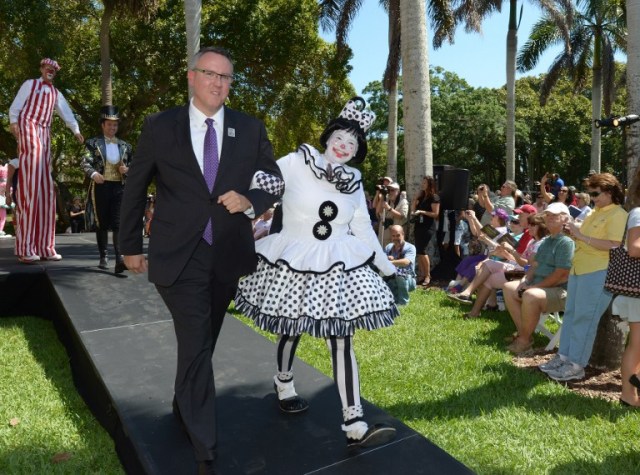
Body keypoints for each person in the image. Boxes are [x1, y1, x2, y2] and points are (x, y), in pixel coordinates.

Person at [119, 46, 284, 473]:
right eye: (210, 74)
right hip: (178, 255)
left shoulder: (250, 129)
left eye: (226, 77)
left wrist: (251, 199)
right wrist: (130, 245)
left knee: (204, 339)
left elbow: (272, 177)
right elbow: (136, 187)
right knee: (195, 337)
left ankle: (182, 403)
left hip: (226, 254)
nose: (218, 83)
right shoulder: (160, 126)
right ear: (192, 76)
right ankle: (205, 449)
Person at [235, 96, 398, 450]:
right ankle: (283, 383)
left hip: (337, 266)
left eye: (352, 143)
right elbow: (262, 187)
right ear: (327, 137)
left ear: (357, 152)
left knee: (341, 339)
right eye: (340, 137)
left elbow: (363, 229)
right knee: (290, 327)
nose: (344, 146)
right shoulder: (295, 162)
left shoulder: (354, 182)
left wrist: (386, 268)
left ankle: (354, 421)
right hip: (293, 258)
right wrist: (242, 208)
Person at [541, 173, 627, 381]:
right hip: (580, 269)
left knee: (584, 319)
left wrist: (580, 235)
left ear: (609, 192)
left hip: (599, 272)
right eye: (591, 193)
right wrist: (575, 233)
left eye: (596, 193)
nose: (592, 198)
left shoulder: (618, 214)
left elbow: (614, 246)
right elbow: (588, 239)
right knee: (570, 314)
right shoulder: (595, 212)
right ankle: (563, 357)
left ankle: (577, 365)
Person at [9, 58, 84, 263]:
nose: (50, 71)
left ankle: (44, 246)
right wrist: (14, 122)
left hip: (44, 132)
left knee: (46, 190)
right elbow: (16, 106)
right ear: (41, 68)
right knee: (31, 187)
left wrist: (76, 130)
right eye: (47, 68)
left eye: (54, 70)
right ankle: (25, 247)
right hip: (29, 126)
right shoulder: (30, 84)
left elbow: (66, 113)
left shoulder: (55, 93)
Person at [502, 203, 575, 353]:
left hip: (560, 290)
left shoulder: (566, 242)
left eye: (555, 216)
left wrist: (534, 287)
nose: (549, 218)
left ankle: (523, 341)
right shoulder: (547, 241)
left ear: (565, 219)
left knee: (530, 295)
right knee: (509, 288)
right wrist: (525, 281)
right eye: (548, 215)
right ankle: (525, 334)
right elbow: (535, 266)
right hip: (541, 286)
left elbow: (561, 274)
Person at [81, 106, 133, 273]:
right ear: (103, 125)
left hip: (119, 187)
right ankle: (103, 255)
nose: (113, 128)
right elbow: (84, 162)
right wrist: (94, 173)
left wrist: (128, 170)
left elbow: (135, 165)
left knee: (118, 223)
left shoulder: (125, 146)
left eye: (115, 125)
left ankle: (119, 258)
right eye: (109, 125)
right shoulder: (92, 143)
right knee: (101, 223)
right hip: (101, 186)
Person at [612, 168, 640, 406]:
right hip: (637, 289)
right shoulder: (639, 214)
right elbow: (634, 248)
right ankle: (629, 394)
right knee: (638, 341)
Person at [411, 175, 440, 287]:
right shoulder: (421, 196)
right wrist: (415, 199)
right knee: (419, 251)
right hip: (418, 225)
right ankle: (422, 275)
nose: (422, 184)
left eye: (424, 182)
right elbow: (413, 211)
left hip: (428, 227)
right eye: (422, 182)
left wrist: (422, 212)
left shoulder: (434, 197)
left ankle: (428, 275)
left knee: (422, 250)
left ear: (430, 184)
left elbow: (436, 214)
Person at [384, 225, 417, 305]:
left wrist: (391, 262)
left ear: (403, 234)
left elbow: (406, 262)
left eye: (398, 235)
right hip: (391, 278)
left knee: (400, 275)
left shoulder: (410, 247)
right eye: (393, 236)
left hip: (407, 279)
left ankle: (403, 303)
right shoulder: (389, 247)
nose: (395, 238)